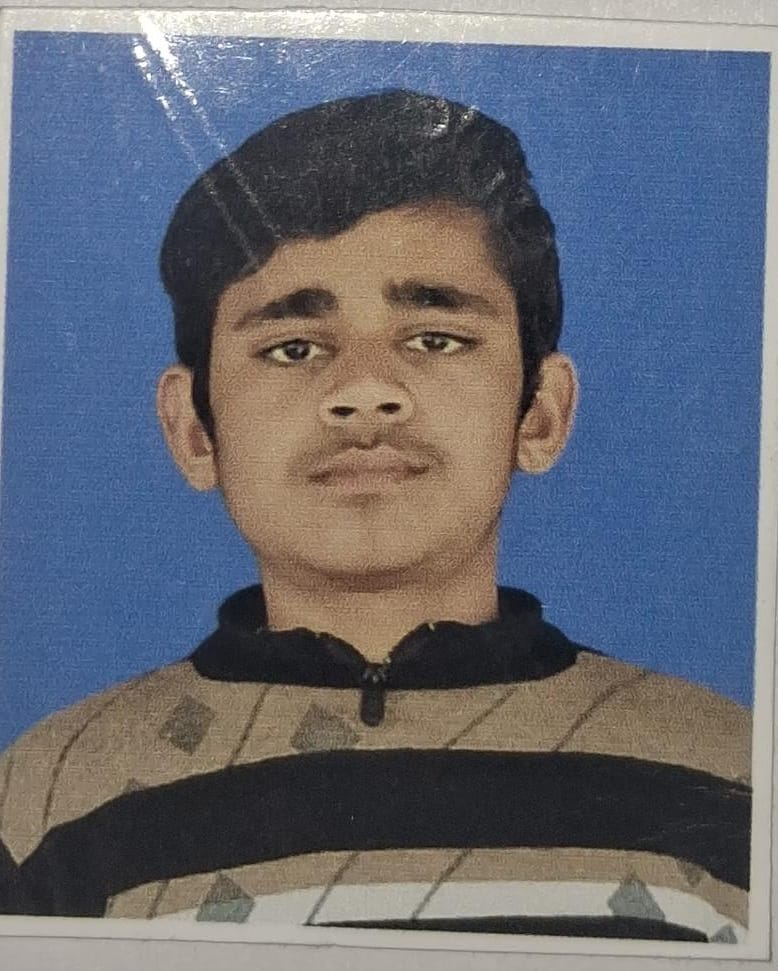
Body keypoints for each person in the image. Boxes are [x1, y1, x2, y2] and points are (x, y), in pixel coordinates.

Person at [0, 90, 750, 941]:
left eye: (434, 338)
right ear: (194, 429)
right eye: (293, 348)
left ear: (540, 411)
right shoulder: (48, 801)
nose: (363, 392)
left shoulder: (729, 778)